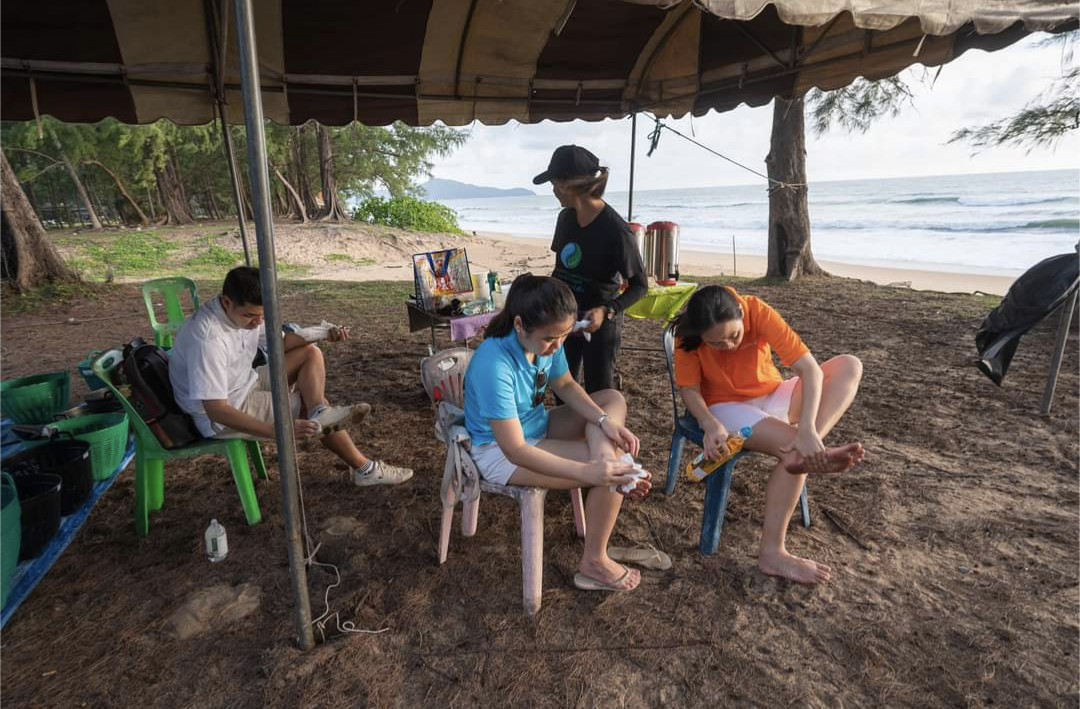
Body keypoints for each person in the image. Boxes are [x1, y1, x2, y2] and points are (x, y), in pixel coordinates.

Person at [464, 273, 656, 592]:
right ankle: (594, 560)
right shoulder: (493, 364)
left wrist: (602, 422)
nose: (557, 346)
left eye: (565, 336)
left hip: (536, 425)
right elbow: (515, 449)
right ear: (519, 325)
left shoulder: (546, 339)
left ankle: (604, 458)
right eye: (551, 339)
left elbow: (565, 384)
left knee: (611, 400)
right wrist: (589, 472)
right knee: (614, 469)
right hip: (500, 452)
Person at [672, 285, 865, 585]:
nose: (728, 346)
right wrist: (709, 423)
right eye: (716, 343)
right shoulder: (688, 333)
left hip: (773, 393)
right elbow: (689, 391)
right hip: (725, 407)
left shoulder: (757, 310)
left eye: (734, 336)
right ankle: (772, 552)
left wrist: (808, 429)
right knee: (794, 453)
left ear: (740, 312)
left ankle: (810, 447)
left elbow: (810, 370)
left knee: (849, 365)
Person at [169, 266, 413, 487]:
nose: (257, 322)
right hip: (225, 410)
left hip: (245, 381)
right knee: (305, 410)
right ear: (226, 301)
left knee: (310, 353)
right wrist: (278, 430)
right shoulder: (208, 339)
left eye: (262, 315)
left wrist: (323, 333)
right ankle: (366, 470)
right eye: (250, 316)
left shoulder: (241, 312)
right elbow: (216, 410)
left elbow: (281, 343)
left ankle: (320, 410)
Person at [533, 145, 647, 393]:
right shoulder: (565, 218)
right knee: (563, 387)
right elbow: (561, 270)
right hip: (564, 316)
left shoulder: (616, 231)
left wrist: (608, 310)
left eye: (554, 183)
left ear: (569, 184)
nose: (553, 190)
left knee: (600, 391)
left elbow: (640, 286)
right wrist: (543, 295)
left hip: (600, 321)